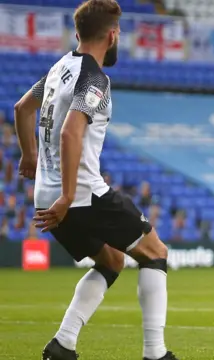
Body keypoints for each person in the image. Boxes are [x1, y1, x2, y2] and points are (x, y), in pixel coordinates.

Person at [13, 1, 178, 359]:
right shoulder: (95, 78)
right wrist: (69, 195)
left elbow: (22, 108)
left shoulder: (59, 69)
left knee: (112, 261)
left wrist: (29, 156)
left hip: (46, 196)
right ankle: (156, 353)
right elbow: (72, 133)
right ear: (113, 35)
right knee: (155, 253)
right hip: (80, 196)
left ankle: (63, 344)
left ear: (77, 34)